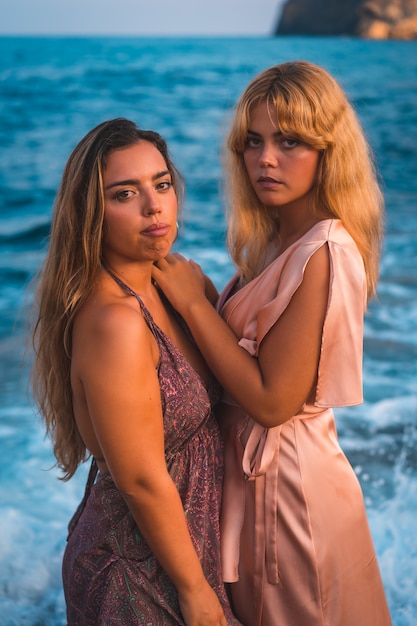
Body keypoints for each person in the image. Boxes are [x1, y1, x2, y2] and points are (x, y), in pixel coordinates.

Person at [151, 61, 393, 625]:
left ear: (327, 150)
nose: (265, 159)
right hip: (257, 486)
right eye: (253, 142)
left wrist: (192, 305)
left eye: (290, 142)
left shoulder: (323, 249)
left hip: (287, 497)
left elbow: (272, 401)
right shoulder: (275, 240)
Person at [31, 118, 241, 625]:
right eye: (125, 193)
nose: (154, 206)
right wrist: (195, 592)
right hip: (135, 571)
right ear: (91, 214)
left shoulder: (171, 283)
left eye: (162, 184)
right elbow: (142, 477)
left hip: (185, 552)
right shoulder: (115, 322)